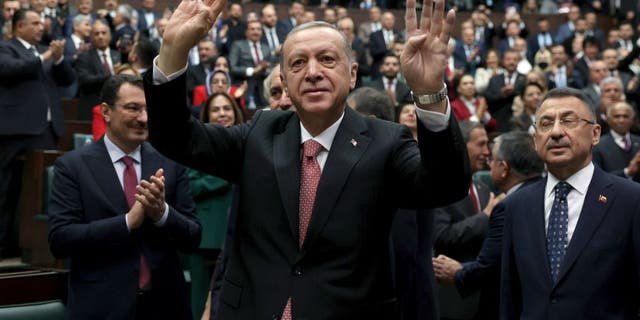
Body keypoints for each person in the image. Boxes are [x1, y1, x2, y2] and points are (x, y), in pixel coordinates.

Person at [144, 0, 469, 318]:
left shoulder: (387, 142)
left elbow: (446, 186)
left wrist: (429, 93)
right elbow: (175, 136)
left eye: (327, 59)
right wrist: (173, 51)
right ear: (284, 82)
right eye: (298, 63)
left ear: (353, 74)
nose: (312, 72)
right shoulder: (258, 134)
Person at [48, 74, 201, 319]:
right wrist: (128, 222)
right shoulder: (72, 167)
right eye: (133, 108)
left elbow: (193, 236)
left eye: (147, 109)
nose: (143, 118)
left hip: (165, 307)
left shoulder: (169, 163)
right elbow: (61, 240)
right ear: (106, 111)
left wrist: (162, 214)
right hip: (101, 308)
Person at [501, 87, 640, 319]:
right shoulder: (516, 205)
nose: (556, 132)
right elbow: (509, 296)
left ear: (595, 134)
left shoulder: (631, 200)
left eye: (568, 121)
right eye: (545, 123)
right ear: (536, 140)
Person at [433, 130, 544, 320]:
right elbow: (442, 237)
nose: (487, 157)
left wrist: (459, 272)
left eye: (492, 157)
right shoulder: (547, 193)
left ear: (503, 168)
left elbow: (492, 263)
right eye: (481, 144)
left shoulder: (507, 204)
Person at [0, 8, 74, 259]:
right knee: (6, 189)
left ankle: (33, 244)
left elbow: (68, 80)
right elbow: (9, 69)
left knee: (41, 189)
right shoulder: (7, 47)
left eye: (41, 23)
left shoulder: (46, 54)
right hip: (15, 130)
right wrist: (45, 57)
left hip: (46, 130)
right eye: (34, 23)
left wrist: (60, 59)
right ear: (19, 27)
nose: (41, 27)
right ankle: (3, 242)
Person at [431, 120, 501, 320]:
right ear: (460, 144)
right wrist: (486, 217)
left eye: (487, 145)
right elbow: (442, 236)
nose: (487, 152)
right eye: (480, 144)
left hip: (484, 298)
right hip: (452, 299)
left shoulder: (482, 188)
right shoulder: (439, 186)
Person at [188, 91, 242, 318]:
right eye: (216, 109)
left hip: (241, 237)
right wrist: (228, 174)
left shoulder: (248, 140)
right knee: (201, 304)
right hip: (206, 236)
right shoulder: (197, 145)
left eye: (227, 108)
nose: (222, 113)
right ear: (207, 115)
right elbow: (190, 187)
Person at [75, 18, 122, 120]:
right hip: (93, 108)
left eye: (104, 33)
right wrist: (112, 74)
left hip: (116, 110)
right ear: (91, 37)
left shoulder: (118, 55)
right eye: (96, 34)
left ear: (110, 35)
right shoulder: (84, 56)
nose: (100, 36)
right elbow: (85, 80)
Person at [592, 101, 640, 182]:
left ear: (632, 120)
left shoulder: (638, 141)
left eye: (626, 116)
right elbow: (596, 179)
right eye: (617, 116)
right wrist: (627, 172)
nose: (621, 120)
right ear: (608, 119)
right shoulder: (597, 146)